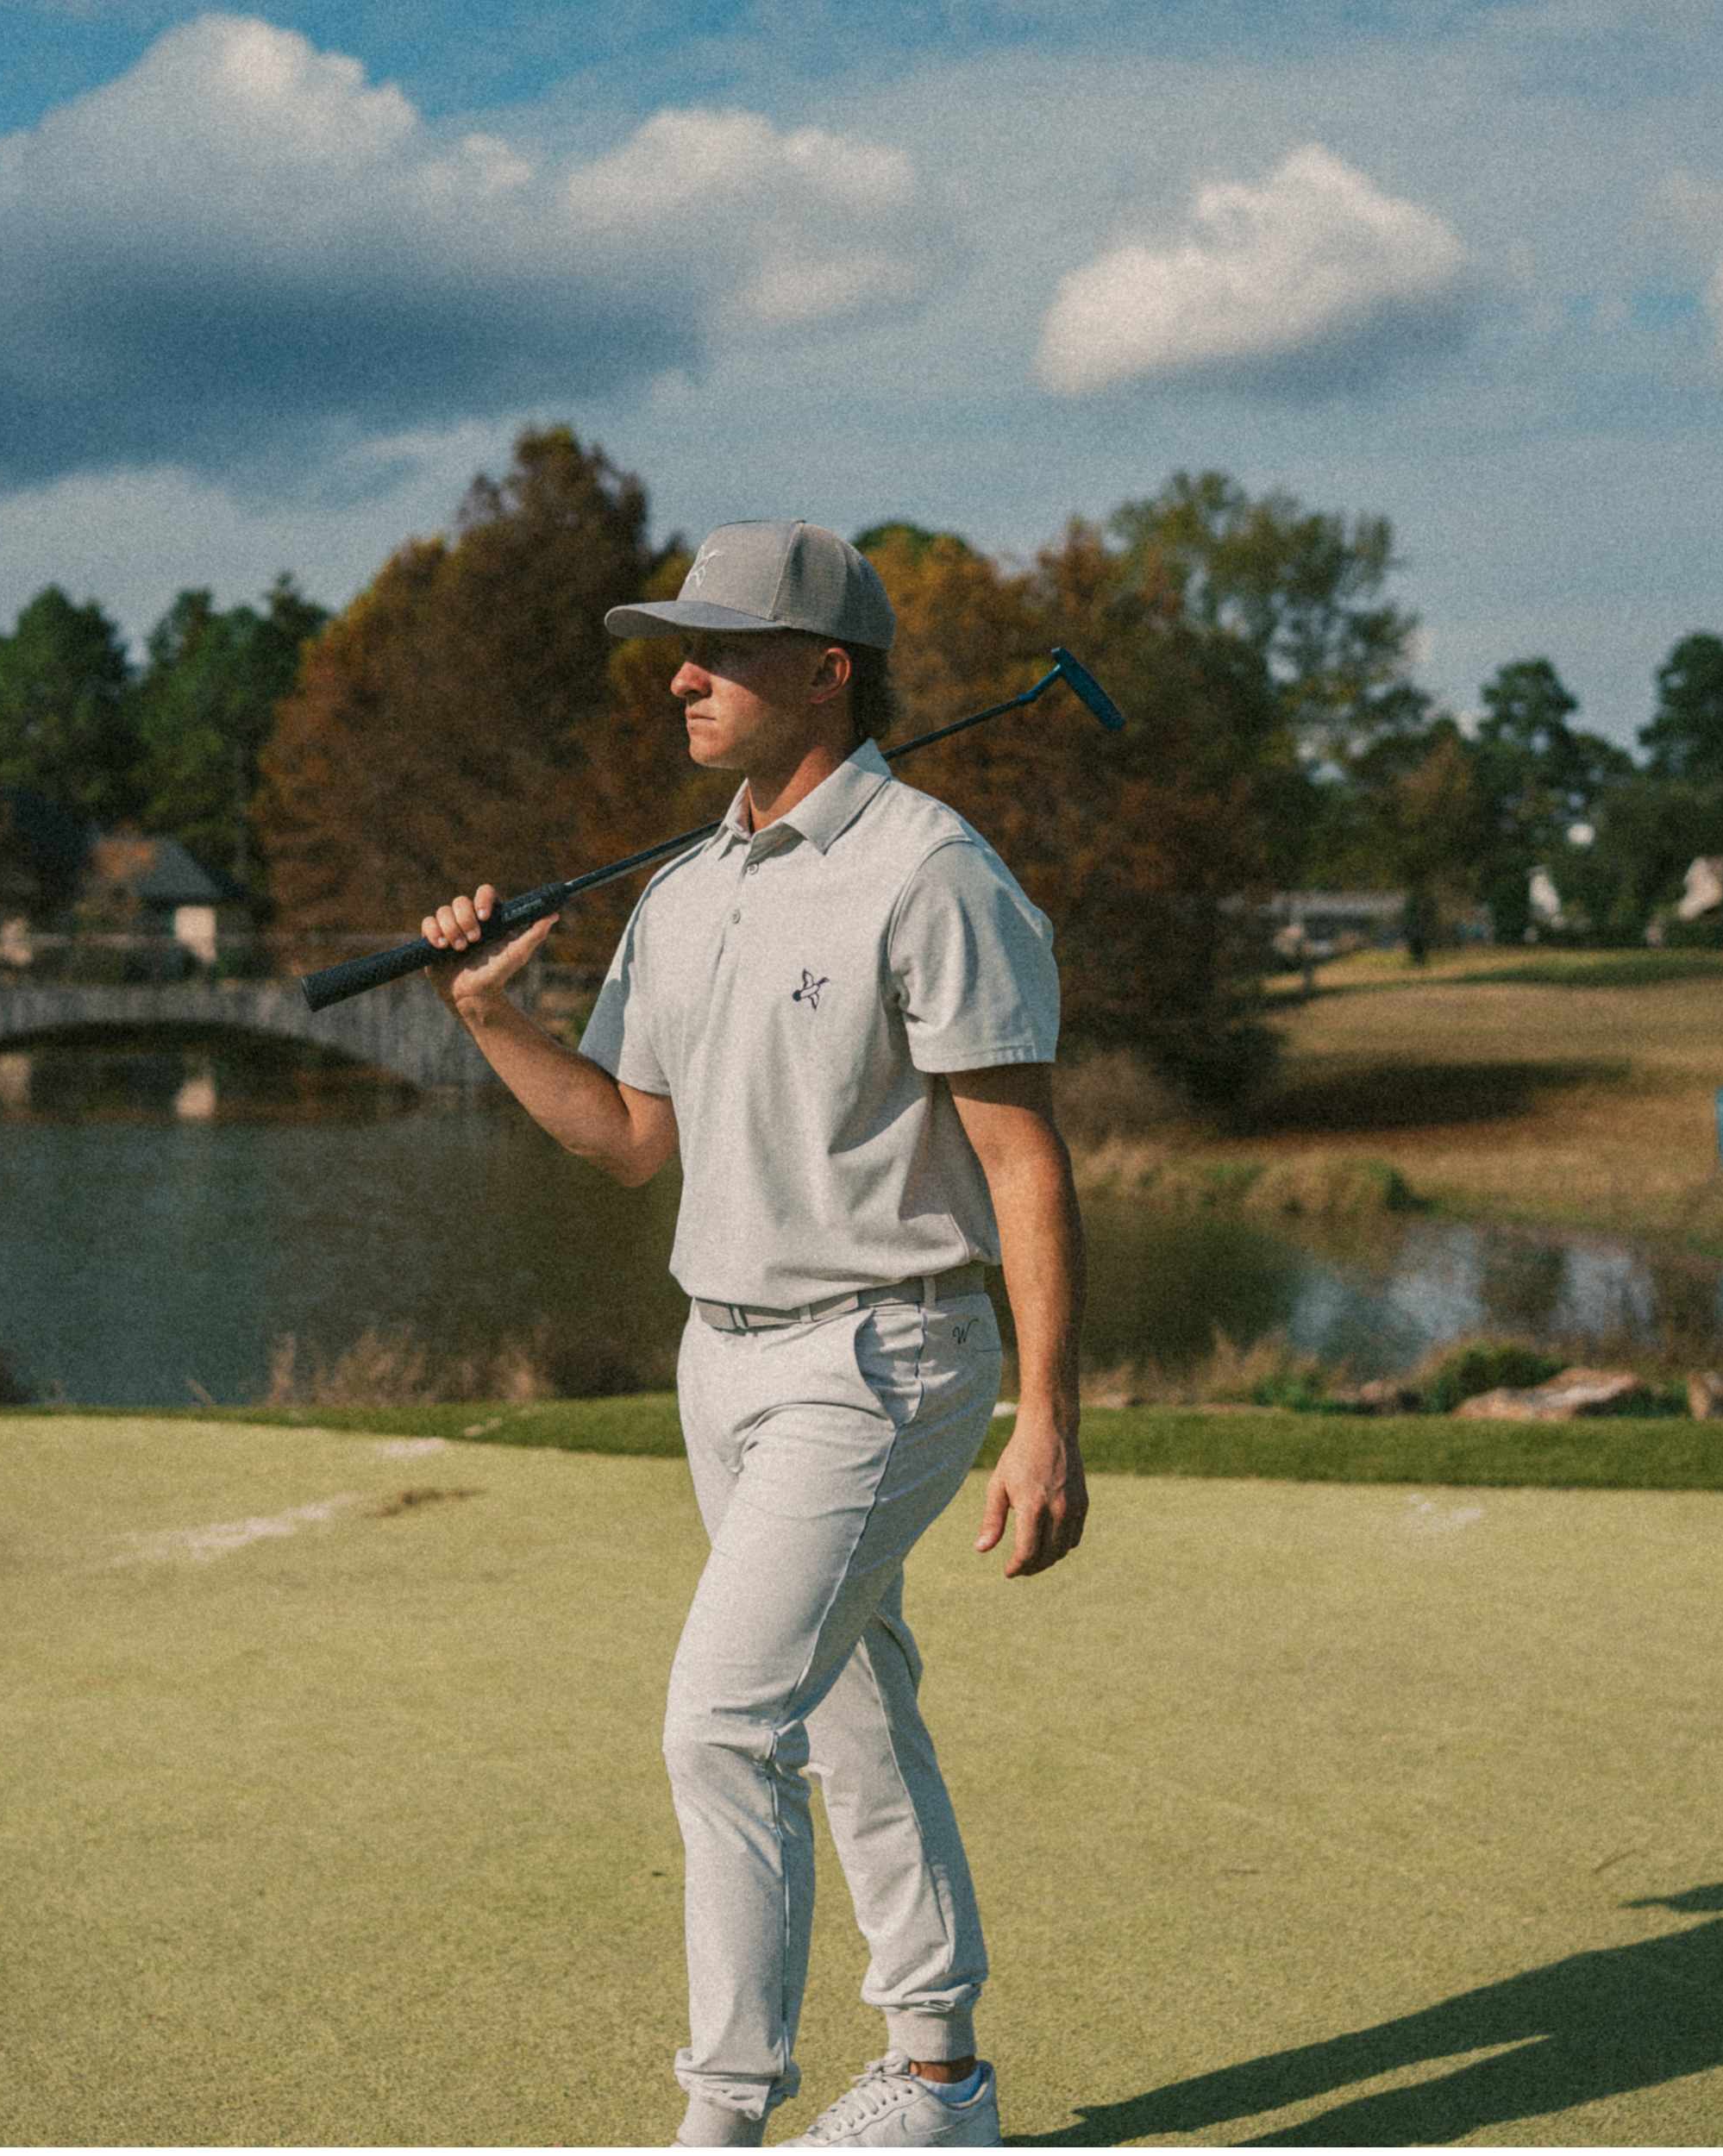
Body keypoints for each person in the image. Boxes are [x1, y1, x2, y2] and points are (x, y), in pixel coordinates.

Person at [418, 520, 1088, 2148]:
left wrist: (1051, 1417)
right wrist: (493, 1020)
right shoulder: (684, 887)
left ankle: (721, 2123)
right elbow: (635, 1137)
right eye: (680, 644)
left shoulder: (934, 871)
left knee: (721, 1721)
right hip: (718, 1360)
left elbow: (1022, 1157)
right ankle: (940, 2084)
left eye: (717, 647)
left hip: (888, 1354)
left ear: (826, 672)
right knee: (850, 1706)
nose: (681, 673)